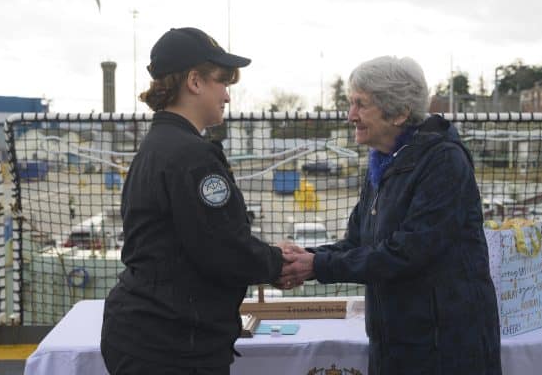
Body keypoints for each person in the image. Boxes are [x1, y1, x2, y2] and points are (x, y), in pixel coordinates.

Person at [279, 56, 502, 375]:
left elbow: (408, 252)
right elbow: (356, 243)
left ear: (399, 113)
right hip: (398, 346)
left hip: (444, 351)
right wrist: (306, 258)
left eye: (360, 105)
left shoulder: (443, 163)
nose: (350, 116)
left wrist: (317, 265)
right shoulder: (384, 164)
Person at [101, 27, 284, 375]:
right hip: (172, 346)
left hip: (147, 334)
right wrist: (279, 263)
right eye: (222, 81)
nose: (227, 96)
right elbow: (223, 248)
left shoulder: (159, 145)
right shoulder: (192, 156)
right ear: (195, 82)